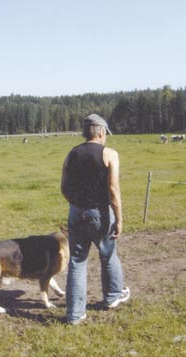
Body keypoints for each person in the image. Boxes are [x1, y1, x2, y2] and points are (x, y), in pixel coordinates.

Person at [61, 113, 130, 325]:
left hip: (76, 212)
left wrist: (76, 205)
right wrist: (118, 218)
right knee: (108, 256)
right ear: (100, 132)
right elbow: (113, 190)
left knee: (77, 262)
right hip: (100, 213)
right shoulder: (109, 154)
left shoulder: (71, 154)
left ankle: (74, 314)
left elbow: (64, 188)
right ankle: (112, 296)